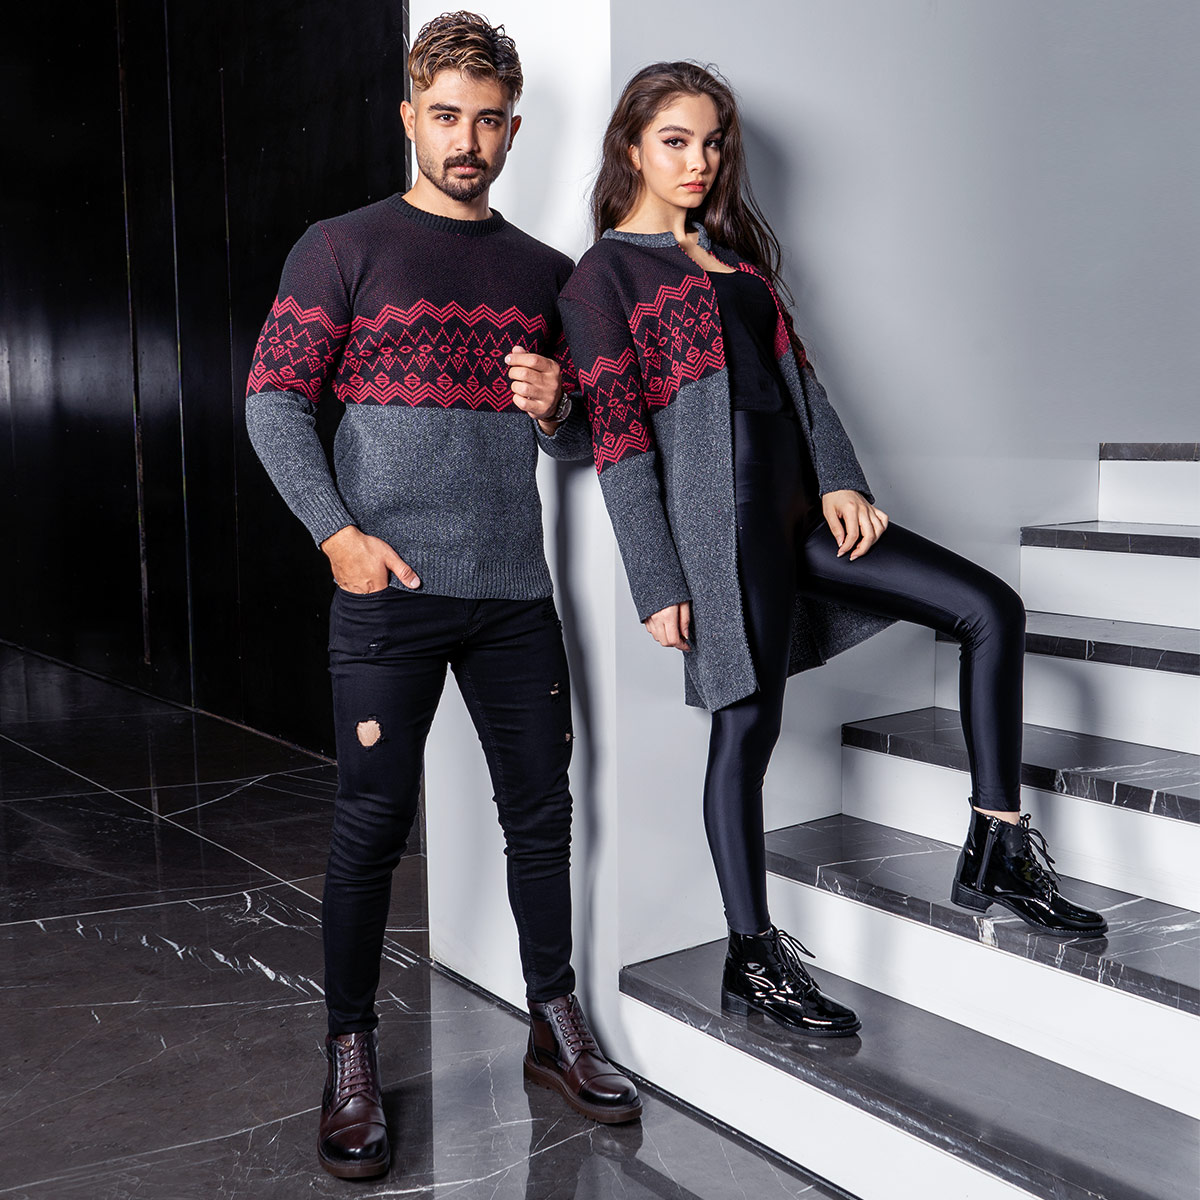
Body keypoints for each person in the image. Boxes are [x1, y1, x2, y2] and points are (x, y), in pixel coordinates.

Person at [559, 61, 1106, 1039]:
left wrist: (844, 481)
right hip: (724, 532)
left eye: (711, 141)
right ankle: (751, 956)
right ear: (631, 147)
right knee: (747, 728)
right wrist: (656, 577)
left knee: (989, 609)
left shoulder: (737, 263)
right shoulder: (606, 276)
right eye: (675, 141)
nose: (698, 160)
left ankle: (998, 844)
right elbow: (618, 440)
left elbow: (804, 390)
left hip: (803, 514)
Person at [245, 12, 641, 1180]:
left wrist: (559, 407)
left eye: (490, 120)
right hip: (390, 592)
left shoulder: (546, 274)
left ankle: (554, 1021)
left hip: (513, 596)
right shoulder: (342, 246)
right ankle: (350, 1054)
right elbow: (273, 399)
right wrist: (339, 539)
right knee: (371, 826)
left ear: (515, 130)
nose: (468, 140)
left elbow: (577, 445)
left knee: (542, 814)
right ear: (411, 118)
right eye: (448, 116)